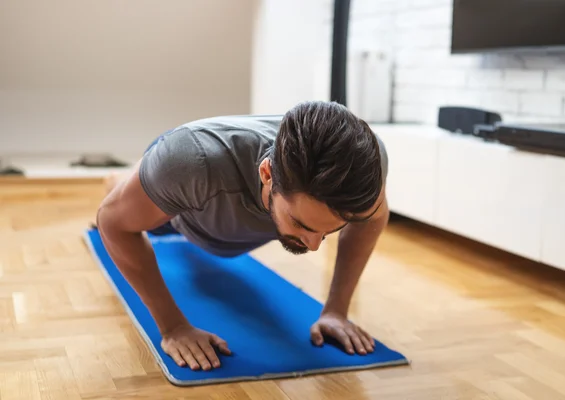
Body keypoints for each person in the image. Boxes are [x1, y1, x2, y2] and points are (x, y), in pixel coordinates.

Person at [96, 100, 389, 372]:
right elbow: (112, 223)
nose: (313, 246)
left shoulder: (364, 169)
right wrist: (173, 327)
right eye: (302, 225)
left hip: (223, 213)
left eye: (330, 229)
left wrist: (336, 310)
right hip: (187, 209)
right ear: (267, 173)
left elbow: (371, 219)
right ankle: (121, 180)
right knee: (130, 208)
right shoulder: (189, 166)